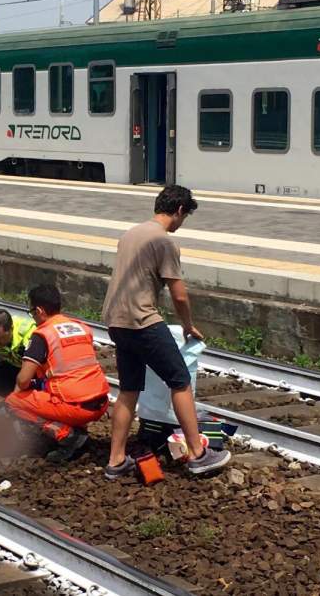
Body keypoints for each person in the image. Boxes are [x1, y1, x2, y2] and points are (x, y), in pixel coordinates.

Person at [101, 185, 231, 479]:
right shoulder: (164, 242)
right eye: (186, 217)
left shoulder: (131, 233)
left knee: (129, 388)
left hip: (116, 320)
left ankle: (116, 460)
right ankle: (198, 454)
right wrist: (187, 325)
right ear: (181, 210)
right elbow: (179, 295)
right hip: (142, 320)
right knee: (180, 380)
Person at [3, 285, 110, 462]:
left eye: (32, 312)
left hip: (76, 407)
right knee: (51, 389)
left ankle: (68, 435)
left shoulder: (42, 335)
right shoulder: (81, 327)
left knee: (13, 402)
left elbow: (22, 381)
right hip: (100, 402)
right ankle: (77, 429)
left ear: (39, 310)